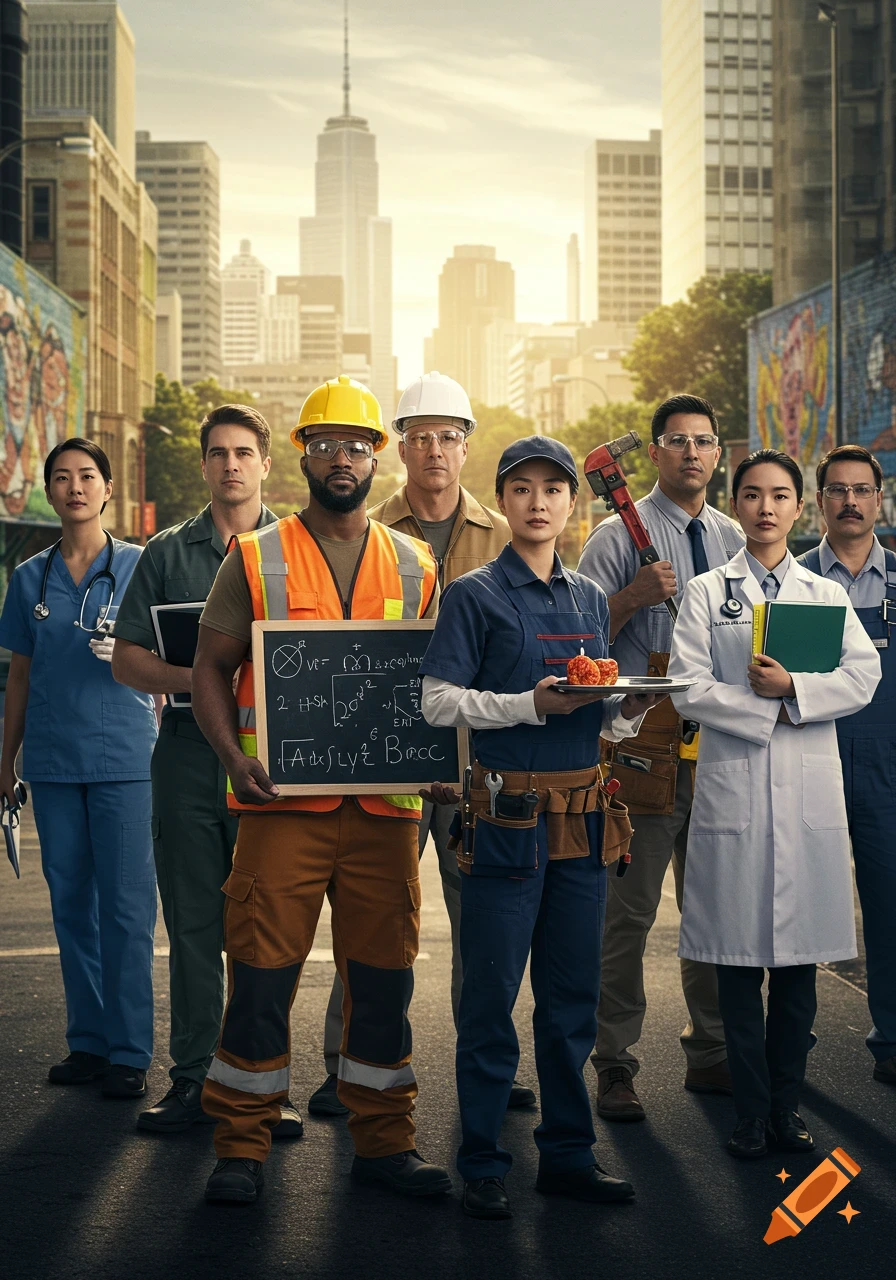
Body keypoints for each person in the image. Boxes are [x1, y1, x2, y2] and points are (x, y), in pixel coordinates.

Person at [191, 375, 451, 1205]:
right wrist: (234, 761)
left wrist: (444, 760)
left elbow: (437, 685)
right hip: (279, 811)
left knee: (383, 984)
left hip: (384, 818)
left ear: (380, 456)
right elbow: (208, 669)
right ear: (301, 454)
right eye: (325, 444)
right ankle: (241, 1146)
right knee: (261, 978)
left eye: (358, 445)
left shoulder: (416, 562)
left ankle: (384, 1143)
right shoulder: (256, 556)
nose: (342, 458)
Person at [420, 436, 663, 1220]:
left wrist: (627, 710)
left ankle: (567, 1153)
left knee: (569, 1001)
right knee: (489, 999)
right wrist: (528, 704)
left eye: (552, 490)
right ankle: (484, 1160)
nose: (538, 502)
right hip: (504, 817)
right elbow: (437, 702)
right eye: (520, 489)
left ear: (570, 503)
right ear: (505, 500)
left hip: (586, 819)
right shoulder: (473, 594)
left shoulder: (593, 598)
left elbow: (595, 709)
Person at [307, 371, 520, 1119]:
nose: (434, 450)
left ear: (467, 446)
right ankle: (346, 1063)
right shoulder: (365, 526)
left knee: (485, 926)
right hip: (388, 756)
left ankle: (488, 1066)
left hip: (478, 763)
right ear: (399, 447)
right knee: (373, 918)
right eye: (420, 436)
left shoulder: (504, 534)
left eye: (449, 437)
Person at [668, 448, 880, 1158]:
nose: (766, 507)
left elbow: (864, 675)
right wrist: (759, 707)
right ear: (739, 505)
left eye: (780, 495)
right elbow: (687, 686)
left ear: (798, 508)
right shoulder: (706, 591)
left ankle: (787, 1110)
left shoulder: (823, 596)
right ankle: (750, 1116)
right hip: (734, 793)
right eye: (753, 495)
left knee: (795, 977)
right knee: (735, 970)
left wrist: (794, 691)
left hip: (806, 797)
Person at [110, 405, 302, 1137]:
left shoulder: (297, 547)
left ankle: (262, 1086)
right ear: (204, 465)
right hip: (189, 756)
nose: (231, 465)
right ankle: (192, 1079)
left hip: (273, 757)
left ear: (264, 465)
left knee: (267, 930)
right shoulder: (164, 553)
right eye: (218, 453)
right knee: (193, 925)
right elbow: (128, 659)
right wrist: (207, 679)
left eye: (244, 452)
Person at [576, 394, 744, 1120]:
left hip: (718, 747)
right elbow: (574, 640)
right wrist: (630, 597)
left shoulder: (737, 536)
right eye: (676, 440)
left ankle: (711, 1052)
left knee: (715, 911)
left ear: (718, 454)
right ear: (651, 453)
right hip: (640, 747)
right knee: (628, 916)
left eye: (704, 441)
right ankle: (614, 1062)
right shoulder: (615, 536)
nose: (692, 453)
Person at [0, 439, 158, 1097]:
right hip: (55, 761)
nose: (74, 487)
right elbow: (19, 677)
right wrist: (4, 761)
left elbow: (173, 652)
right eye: (61, 478)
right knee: (71, 904)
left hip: (125, 757)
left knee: (126, 909)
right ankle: (88, 1043)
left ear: (108, 488)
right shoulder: (28, 578)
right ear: (49, 490)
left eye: (87, 476)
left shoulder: (140, 566)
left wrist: (126, 647)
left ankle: (128, 1050)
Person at [797, 444, 896, 1088]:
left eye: (862, 490)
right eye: (838, 490)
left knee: (890, 904)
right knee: (802, 908)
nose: (851, 501)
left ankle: (892, 1036)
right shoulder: (797, 582)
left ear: (879, 499)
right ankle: (791, 1044)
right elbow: (791, 681)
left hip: (888, 767)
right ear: (820, 501)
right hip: (813, 761)